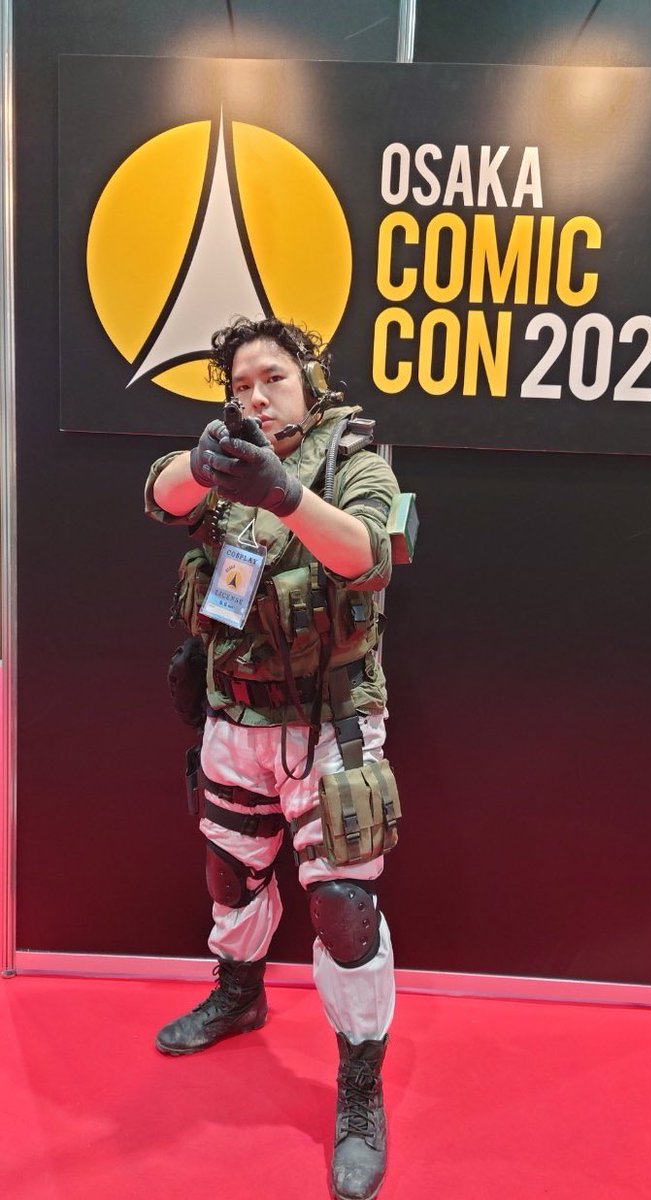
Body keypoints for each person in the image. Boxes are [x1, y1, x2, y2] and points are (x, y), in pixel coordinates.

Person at [144, 316, 402, 1200]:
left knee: (342, 909)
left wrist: (286, 493)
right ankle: (239, 992)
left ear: (311, 383)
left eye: (273, 379)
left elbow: (367, 555)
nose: (256, 396)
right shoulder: (222, 468)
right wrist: (203, 461)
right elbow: (160, 496)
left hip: (333, 724)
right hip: (236, 714)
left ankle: (360, 1087)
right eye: (240, 385)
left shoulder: (352, 463)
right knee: (232, 872)